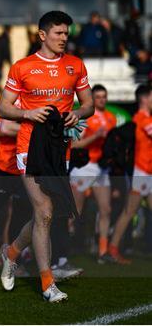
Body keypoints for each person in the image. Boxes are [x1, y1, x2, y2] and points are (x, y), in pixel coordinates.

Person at [0, 11, 94, 302]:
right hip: (29, 146)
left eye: (67, 33)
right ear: (42, 35)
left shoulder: (75, 65)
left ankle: (11, 252)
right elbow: (3, 108)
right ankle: (47, 284)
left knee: (48, 215)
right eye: (58, 33)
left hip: (58, 148)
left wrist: (77, 112)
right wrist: (27, 112)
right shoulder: (23, 67)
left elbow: (88, 104)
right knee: (45, 212)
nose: (64, 38)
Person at [105, 84, 152, 263]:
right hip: (141, 173)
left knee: (128, 212)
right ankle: (112, 249)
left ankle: (112, 249)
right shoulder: (142, 118)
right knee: (128, 212)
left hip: (146, 173)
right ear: (145, 99)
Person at [70, 84, 117, 261]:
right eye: (98, 97)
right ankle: (61, 252)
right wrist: (95, 137)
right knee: (75, 212)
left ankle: (102, 251)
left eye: (104, 96)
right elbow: (75, 144)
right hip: (85, 167)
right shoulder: (85, 117)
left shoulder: (111, 118)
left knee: (106, 209)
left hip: (102, 168)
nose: (102, 100)